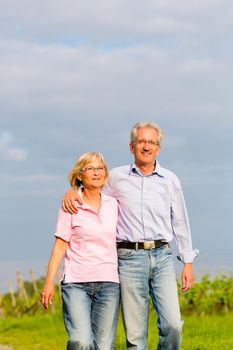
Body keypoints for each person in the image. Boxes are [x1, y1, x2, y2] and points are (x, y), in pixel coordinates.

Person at [62, 122, 198, 350]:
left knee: (173, 325)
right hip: (128, 258)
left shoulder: (170, 180)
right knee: (135, 337)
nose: (146, 146)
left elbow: (181, 222)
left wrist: (188, 262)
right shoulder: (116, 177)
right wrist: (73, 189)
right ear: (131, 146)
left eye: (152, 142)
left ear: (159, 148)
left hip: (162, 256)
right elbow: (92, 192)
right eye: (142, 142)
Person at [41, 152, 120, 350]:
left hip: (109, 283)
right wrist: (49, 282)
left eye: (100, 168)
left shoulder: (114, 204)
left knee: (104, 346)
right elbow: (60, 245)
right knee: (81, 341)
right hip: (76, 283)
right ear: (79, 175)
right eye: (90, 169)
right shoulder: (71, 204)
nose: (96, 173)